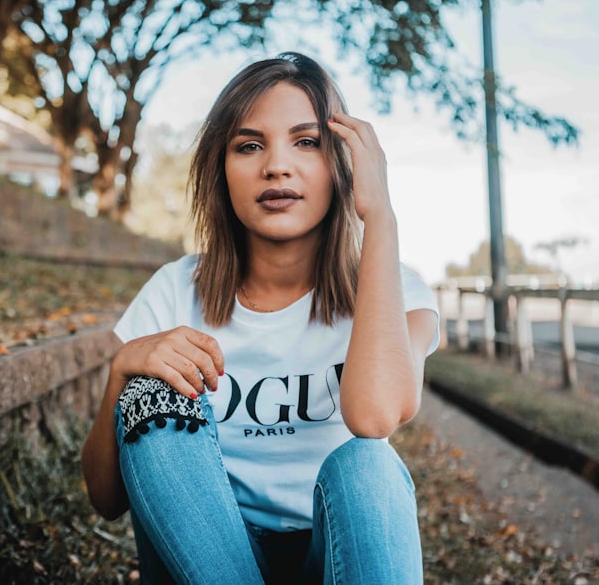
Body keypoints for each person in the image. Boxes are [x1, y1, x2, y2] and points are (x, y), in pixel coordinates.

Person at [81, 52, 440, 584]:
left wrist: (379, 216)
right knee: (149, 394)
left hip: (332, 558)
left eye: (307, 142)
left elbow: (376, 418)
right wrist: (121, 372)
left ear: (342, 162)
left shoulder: (396, 289)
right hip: (209, 558)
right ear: (221, 169)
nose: (276, 165)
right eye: (250, 145)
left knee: (368, 465)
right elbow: (106, 500)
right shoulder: (176, 291)